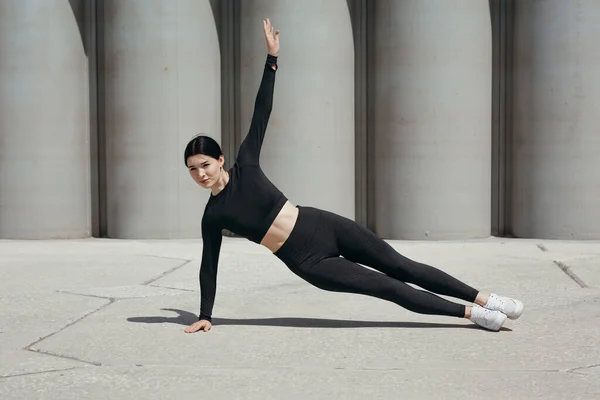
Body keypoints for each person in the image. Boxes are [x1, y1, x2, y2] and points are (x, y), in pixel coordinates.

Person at [183, 18, 523, 334]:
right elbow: (208, 266)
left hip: (321, 225)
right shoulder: (213, 216)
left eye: (205, 165)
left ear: (220, 160)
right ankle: (473, 315)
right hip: (307, 260)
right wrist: (205, 315)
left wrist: (272, 60)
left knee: (402, 266)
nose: (200, 174)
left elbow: (262, 111)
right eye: (193, 170)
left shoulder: (247, 163)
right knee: (389, 287)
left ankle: (486, 299)